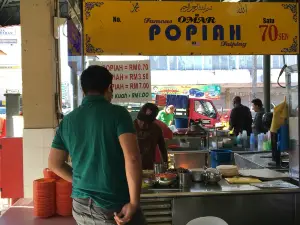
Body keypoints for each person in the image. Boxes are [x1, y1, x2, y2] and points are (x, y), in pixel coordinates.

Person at [48, 65, 146, 225]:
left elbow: (54, 164)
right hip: (112, 205)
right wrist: (134, 203)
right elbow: (133, 158)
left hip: (80, 205)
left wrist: (83, 183)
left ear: (82, 90)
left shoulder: (68, 120)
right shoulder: (118, 114)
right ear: (110, 87)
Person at [134, 103, 168, 170]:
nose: (143, 124)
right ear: (137, 118)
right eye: (141, 121)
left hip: (149, 168)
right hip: (131, 168)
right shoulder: (128, 128)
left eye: (147, 123)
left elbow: (163, 149)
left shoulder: (156, 129)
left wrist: (165, 163)